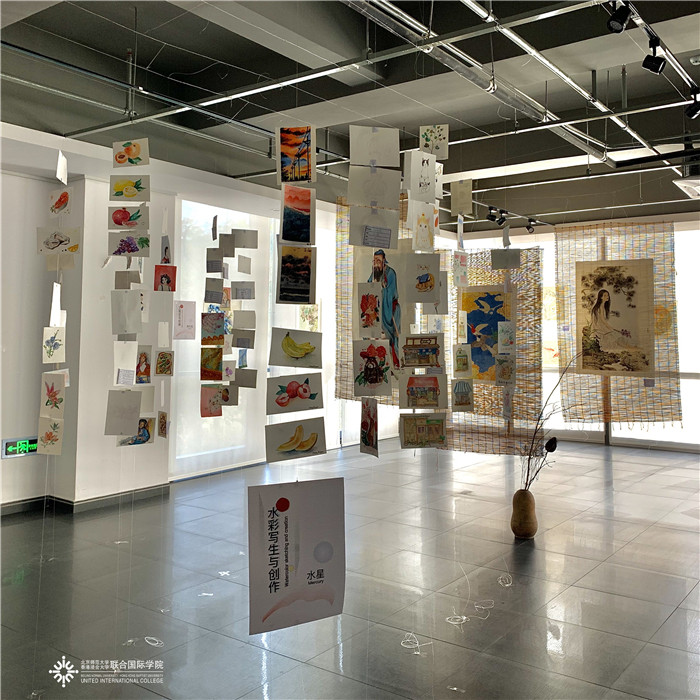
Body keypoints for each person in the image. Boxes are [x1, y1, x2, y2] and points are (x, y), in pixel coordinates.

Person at [368, 250, 401, 368]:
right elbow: (369, 286)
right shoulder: (374, 273)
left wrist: (382, 289)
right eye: (374, 261)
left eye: (378, 260)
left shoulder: (391, 273)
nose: (376, 263)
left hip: (390, 310)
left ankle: (394, 365)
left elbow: (390, 293)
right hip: (379, 310)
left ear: (384, 261)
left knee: (391, 338)